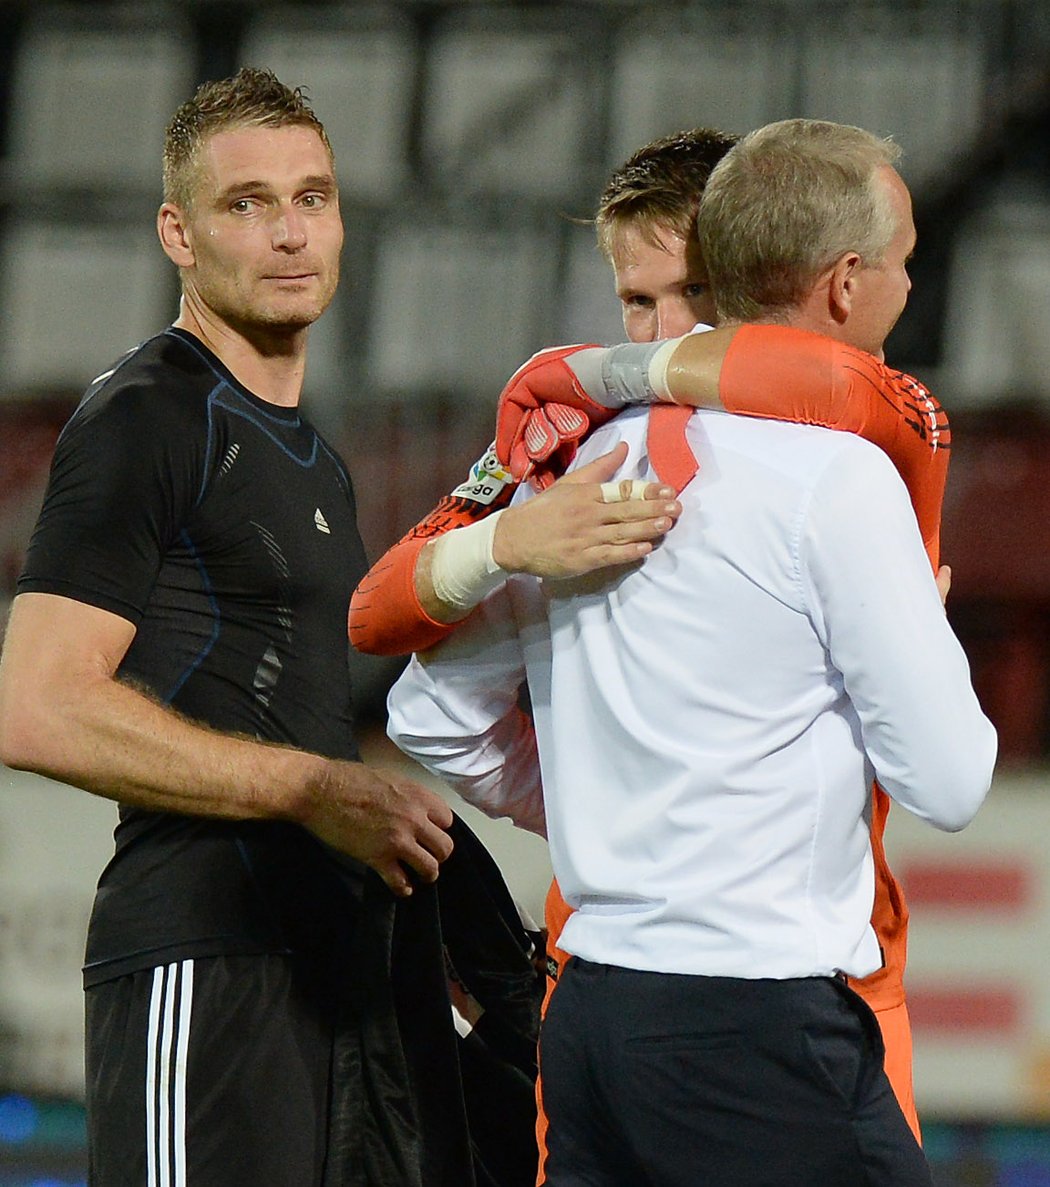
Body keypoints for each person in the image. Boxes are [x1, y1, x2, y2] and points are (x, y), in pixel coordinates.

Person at [385, 119, 997, 1185]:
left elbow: (427, 715)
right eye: (900, 264)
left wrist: (604, 792)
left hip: (589, 1021)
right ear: (840, 283)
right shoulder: (837, 478)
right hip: (759, 1025)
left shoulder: (564, 473)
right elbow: (948, 778)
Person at [0, 67, 541, 1187]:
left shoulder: (313, 456)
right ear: (177, 233)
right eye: (246, 203)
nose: (289, 233)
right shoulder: (147, 414)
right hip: (197, 955)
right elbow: (35, 705)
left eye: (313, 196)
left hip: (323, 967)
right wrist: (308, 788)